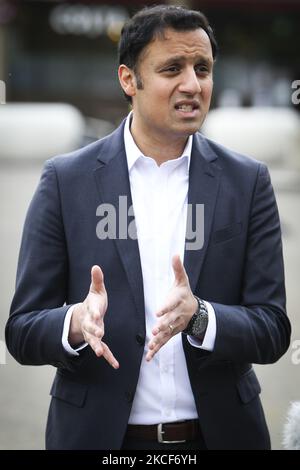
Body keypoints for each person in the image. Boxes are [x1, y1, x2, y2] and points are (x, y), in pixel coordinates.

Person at [6, 5, 291, 450]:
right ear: (128, 80)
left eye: (203, 68)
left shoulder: (247, 181)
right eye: (172, 68)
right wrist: (76, 322)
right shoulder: (65, 181)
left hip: (220, 437)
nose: (193, 85)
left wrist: (200, 317)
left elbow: (273, 330)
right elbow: (22, 331)